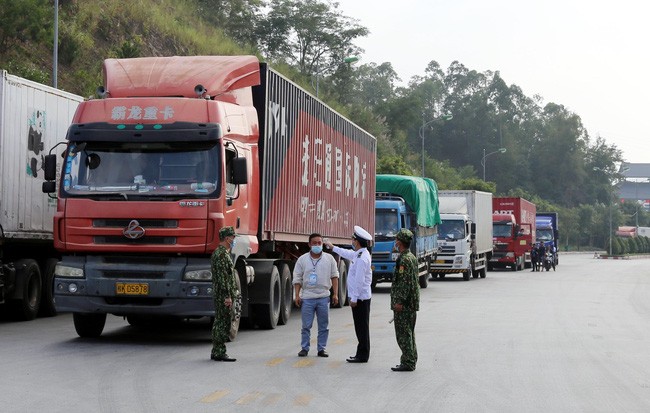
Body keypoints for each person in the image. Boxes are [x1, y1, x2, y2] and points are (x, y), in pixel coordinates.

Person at [325, 225, 373, 363]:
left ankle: (363, 355)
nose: (351, 241)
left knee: (362, 327)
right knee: (360, 327)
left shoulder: (363, 257)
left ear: (357, 241)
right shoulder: (359, 253)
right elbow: (346, 253)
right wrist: (332, 247)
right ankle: (361, 353)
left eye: (353, 239)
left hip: (361, 298)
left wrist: (354, 298)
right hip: (360, 297)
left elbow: (359, 280)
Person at [293, 233, 340, 358]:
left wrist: (335, 294)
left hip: (323, 296)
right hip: (307, 297)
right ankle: (304, 348)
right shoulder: (302, 260)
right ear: (309, 244)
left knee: (323, 325)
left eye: (319, 243)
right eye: (314, 243)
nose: (317, 245)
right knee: (306, 325)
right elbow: (297, 278)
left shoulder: (329, 259)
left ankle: (321, 348)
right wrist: (297, 295)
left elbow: (334, 276)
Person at [390, 229, 420, 372]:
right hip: (411, 303)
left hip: (405, 304)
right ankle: (411, 358)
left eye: (396, 240)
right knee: (409, 332)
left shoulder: (404, 260)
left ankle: (408, 361)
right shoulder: (411, 257)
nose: (395, 242)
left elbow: (404, 283)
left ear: (400, 242)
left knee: (403, 333)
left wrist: (399, 302)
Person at [210, 226, 239, 362]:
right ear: (227, 238)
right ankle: (219, 351)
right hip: (223, 295)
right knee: (223, 322)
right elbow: (223, 278)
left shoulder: (222, 253)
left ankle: (216, 350)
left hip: (222, 293)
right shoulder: (221, 254)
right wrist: (227, 296)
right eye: (233, 237)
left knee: (220, 321)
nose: (234, 240)